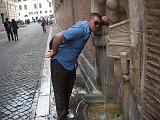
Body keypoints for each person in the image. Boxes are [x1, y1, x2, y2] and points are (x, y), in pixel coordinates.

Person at [46, 13, 109, 120]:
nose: (97, 26)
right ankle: (62, 116)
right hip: (59, 63)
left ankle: (65, 111)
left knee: (68, 89)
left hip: (70, 64)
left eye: (99, 24)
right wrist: (54, 51)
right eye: (96, 23)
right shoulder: (81, 29)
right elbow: (58, 36)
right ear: (89, 21)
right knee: (60, 92)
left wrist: (101, 21)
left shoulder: (90, 26)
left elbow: (95, 21)